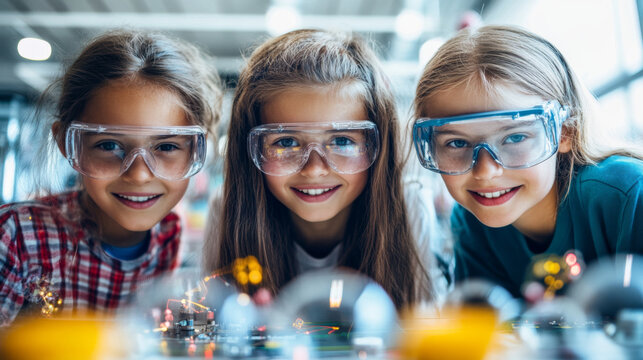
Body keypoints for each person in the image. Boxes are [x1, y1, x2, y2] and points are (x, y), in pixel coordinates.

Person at [204, 29, 445, 310]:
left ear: (379, 148)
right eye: (286, 142)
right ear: (249, 151)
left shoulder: (410, 206)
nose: (315, 169)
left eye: (342, 140)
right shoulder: (226, 208)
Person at [0, 29, 222, 326]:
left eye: (167, 146)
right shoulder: (16, 236)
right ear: (68, 144)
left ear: (199, 150)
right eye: (109, 145)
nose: (139, 174)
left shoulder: (168, 233)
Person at [412, 25, 643, 298]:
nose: (485, 172)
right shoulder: (470, 223)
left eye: (515, 137)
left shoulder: (628, 196)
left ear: (564, 131)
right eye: (457, 143)